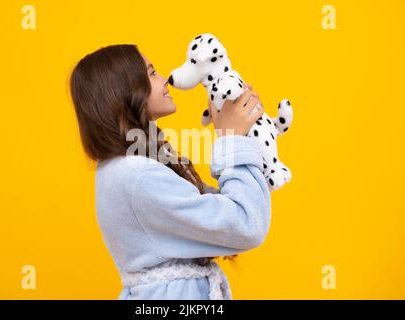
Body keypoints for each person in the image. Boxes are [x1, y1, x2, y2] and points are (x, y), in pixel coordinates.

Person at [69, 44, 271, 299]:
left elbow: (221, 213)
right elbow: (245, 224)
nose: (165, 80)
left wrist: (238, 135)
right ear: (124, 90)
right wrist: (232, 141)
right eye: (152, 73)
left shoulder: (127, 168)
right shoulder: (138, 175)